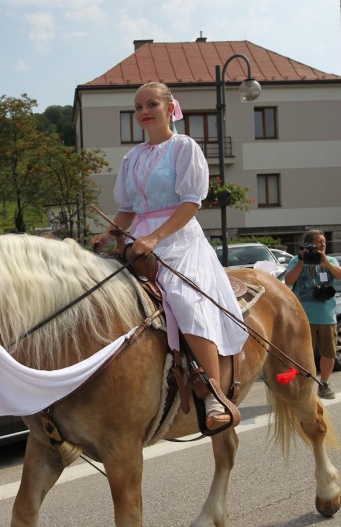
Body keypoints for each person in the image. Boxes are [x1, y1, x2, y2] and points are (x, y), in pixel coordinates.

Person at [89, 81, 248, 431]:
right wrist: (110, 232)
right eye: (138, 107)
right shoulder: (131, 157)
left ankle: (212, 393)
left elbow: (192, 203)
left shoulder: (184, 148)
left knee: (185, 298)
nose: (143, 112)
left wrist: (156, 236)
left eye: (150, 105)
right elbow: (128, 209)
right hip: (138, 241)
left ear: (168, 108)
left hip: (179, 240)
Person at [284, 230, 341, 399]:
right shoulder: (296, 261)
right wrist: (302, 262)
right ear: (309, 244)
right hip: (303, 318)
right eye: (319, 242)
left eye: (324, 241)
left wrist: (326, 264)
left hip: (326, 316)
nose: (323, 244)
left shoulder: (330, 260)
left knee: (328, 353)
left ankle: (324, 384)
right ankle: (304, 387)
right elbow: (288, 281)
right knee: (303, 355)